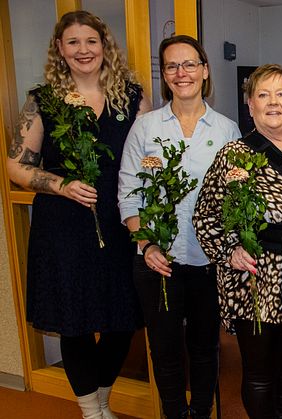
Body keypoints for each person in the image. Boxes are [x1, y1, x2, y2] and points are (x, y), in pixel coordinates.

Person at [5, 10, 150, 419]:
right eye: (73, 42)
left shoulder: (132, 96)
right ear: (60, 49)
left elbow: (148, 156)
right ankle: (91, 411)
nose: (83, 50)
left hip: (120, 221)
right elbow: (15, 166)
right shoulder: (43, 100)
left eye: (91, 41)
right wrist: (60, 185)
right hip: (64, 226)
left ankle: (101, 401)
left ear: (105, 46)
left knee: (123, 318)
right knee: (76, 321)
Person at [193, 63, 282, 419]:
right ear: (250, 104)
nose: (273, 102)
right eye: (263, 95)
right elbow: (204, 215)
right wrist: (230, 251)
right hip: (257, 277)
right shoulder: (233, 156)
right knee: (260, 373)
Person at [117, 35, 240, 419]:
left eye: (190, 64)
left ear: (205, 70)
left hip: (208, 260)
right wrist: (148, 245)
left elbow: (234, 199)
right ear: (164, 75)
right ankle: (173, 413)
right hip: (157, 260)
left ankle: (201, 412)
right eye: (172, 66)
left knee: (206, 347)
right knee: (165, 348)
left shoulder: (226, 130)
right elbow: (128, 193)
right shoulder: (145, 127)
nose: (181, 72)